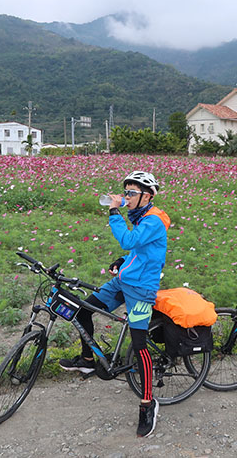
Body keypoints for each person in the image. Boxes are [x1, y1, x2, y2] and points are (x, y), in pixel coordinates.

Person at [59, 170, 170, 437]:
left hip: (141, 290)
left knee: (140, 345)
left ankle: (147, 403)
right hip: (123, 281)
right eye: (126, 192)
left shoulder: (155, 219)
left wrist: (113, 212)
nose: (127, 197)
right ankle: (87, 360)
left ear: (148, 195)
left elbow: (130, 239)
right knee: (83, 311)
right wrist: (123, 261)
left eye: (132, 193)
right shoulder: (142, 216)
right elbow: (137, 248)